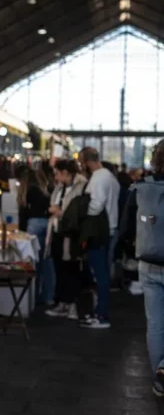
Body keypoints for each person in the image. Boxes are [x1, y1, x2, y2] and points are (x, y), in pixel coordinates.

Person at [121, 140, 164, 396]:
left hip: (147, 263)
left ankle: (159, 379)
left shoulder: (139, 188)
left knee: (155, 324)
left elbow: (126, 229)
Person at [78, 147, 120, 329]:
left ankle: (102, 315)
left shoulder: (98, 177)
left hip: (99, 232)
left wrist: (81, 215)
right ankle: (100, 312)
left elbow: (96, 203)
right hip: (109, 230)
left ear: (86, 162)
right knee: (102, 273)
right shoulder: (109, 176)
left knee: (100, 274)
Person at [45, 159, 87, 320]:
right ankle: (62, 302)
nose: (55, 177)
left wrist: (62, 212)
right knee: (60, 268)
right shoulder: (59, 188)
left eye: (57, 173)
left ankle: (72, 304)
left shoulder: (80, 188)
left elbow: (77, 212)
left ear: (65, 173)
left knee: (72, 270)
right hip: (56, 233)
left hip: (71, 236)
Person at [18, 168, 55, 305]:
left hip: (33, 223)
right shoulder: (45, 191)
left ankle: (32, 298)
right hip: (47, 223)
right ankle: (48, 296)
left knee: (33, 262)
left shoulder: (27, 191)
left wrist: (21, 232)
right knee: (47, 261)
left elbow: (23, 213)